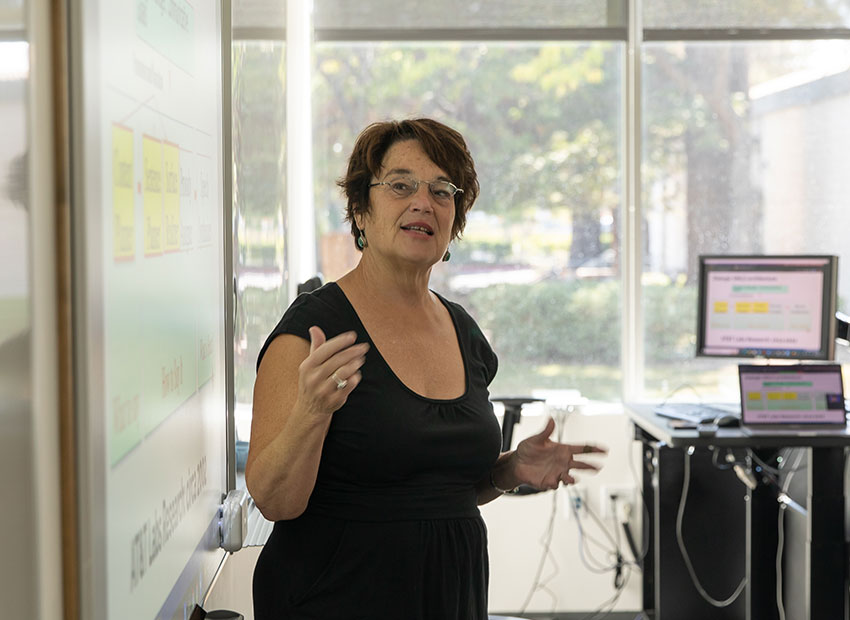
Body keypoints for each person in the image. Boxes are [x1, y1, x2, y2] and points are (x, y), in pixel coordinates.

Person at [246, 118, 607, 619]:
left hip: (451, 597)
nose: (423, 202)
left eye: (442, 190)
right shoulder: (311, 334)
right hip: (333, 599)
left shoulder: (463, 331)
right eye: (400, 185)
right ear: (360, 211)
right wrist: (311, 411)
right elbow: (273, 501)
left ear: (454, 218)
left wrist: (508, 470)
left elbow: (444, 488)